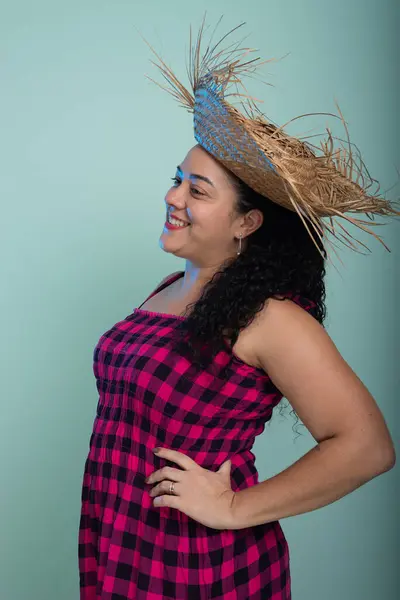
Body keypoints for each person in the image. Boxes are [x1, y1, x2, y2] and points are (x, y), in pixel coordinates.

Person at [78, 20, 398, 600]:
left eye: (197, 191)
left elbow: (367, 445)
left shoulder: (268, 318)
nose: (173, 198)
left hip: (198, 565)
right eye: (178, 180)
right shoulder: (167, 289)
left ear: (247, 222)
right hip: (121, 541)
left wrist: (232, 507)